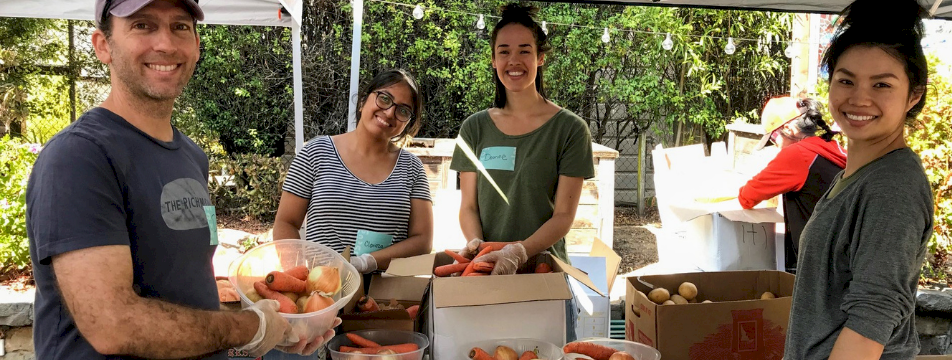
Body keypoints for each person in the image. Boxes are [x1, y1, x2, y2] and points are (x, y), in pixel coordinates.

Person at [25, 1, 335, 358]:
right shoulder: (79, 156)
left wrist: (279, 326)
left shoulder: (190, 155)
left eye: (180, 27)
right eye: (143, 25)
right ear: (103, 46)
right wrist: (250, 328)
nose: (166, 44)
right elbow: (113, 324)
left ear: (197, 46)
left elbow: (184, 284)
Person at [784, 0, 934, 358]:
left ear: (913, 95)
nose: (859, 98)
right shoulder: (855, 175)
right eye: (846, 80)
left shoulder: (892, 187)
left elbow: (871, 320)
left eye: (881, 84)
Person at [451, 4, 594, 342]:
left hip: (545, 273)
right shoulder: (474, 128)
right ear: (493, 60)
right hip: (486, 273)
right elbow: (469, 206)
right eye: (504, 51)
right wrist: (478, 247)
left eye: (524, 51)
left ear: (540, 57)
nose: (513, 61)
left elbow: (563, 217)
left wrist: (518, 252)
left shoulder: (570, 130)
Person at [273, 69, 433, 277]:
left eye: (403, 111)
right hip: (323, 293)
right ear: (363, 101)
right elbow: (286, 222)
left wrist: (368, 262)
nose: (389, 113)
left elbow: (422, 240)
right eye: (384, 99)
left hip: (386, 296)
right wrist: (297, 277)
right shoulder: (316, 153)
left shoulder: (411, 168)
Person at [738, 97, 847, 274]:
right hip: (842, 258)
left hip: (817, 264)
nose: (776, 146)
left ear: (788, 129)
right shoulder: (832, 148)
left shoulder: (798, 155)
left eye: (773, 139)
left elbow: (747, 197)